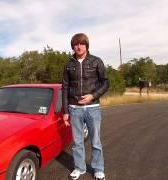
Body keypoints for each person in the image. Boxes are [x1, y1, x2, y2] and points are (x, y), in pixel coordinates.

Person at [62, 33, 109, 180]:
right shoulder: (69, 65)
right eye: (76, 44)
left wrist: (93, 96)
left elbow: (106, 83)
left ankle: (98, 169)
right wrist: (65, 111)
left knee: (95, 141)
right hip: (74, 109)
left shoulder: (96, 61)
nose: (78, 46)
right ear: (73, 46)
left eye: (81, 43)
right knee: (77, 142)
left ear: (86, 45)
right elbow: (65, 87)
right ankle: (79, 168)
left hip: (92, 107)